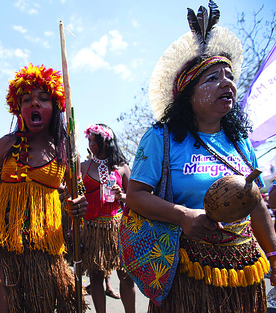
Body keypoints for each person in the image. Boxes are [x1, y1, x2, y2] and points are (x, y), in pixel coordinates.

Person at [126, 2, 276, 312]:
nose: (227, 83)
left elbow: (257, 203)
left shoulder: (239, 141)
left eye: (228, 75)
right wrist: (182, 215)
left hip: (242, 270)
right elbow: (135, 196)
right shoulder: (160, 139)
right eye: (212, 79)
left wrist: (273, 255)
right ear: (188, 95)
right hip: (186, 271)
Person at [0, 63, 88, 313]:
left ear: (56, 107)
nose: (34, 103)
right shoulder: (5, 145)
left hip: (45, 250)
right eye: (27, 99)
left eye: (43, 99)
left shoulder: (66, 151)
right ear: (19, 109)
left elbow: (75, 197)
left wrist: (78, 206)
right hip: (2, 246)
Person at [81, 123, 135, 313]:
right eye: (89, 138)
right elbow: (74, 193)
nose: (91, 142)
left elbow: (136, 197)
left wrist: (122, 196)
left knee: (126, 276)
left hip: (118, 228)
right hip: (92, 228)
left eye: (95, 138)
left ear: (107, 141)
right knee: (96, 277)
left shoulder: (122, 167)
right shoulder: (83, 166)